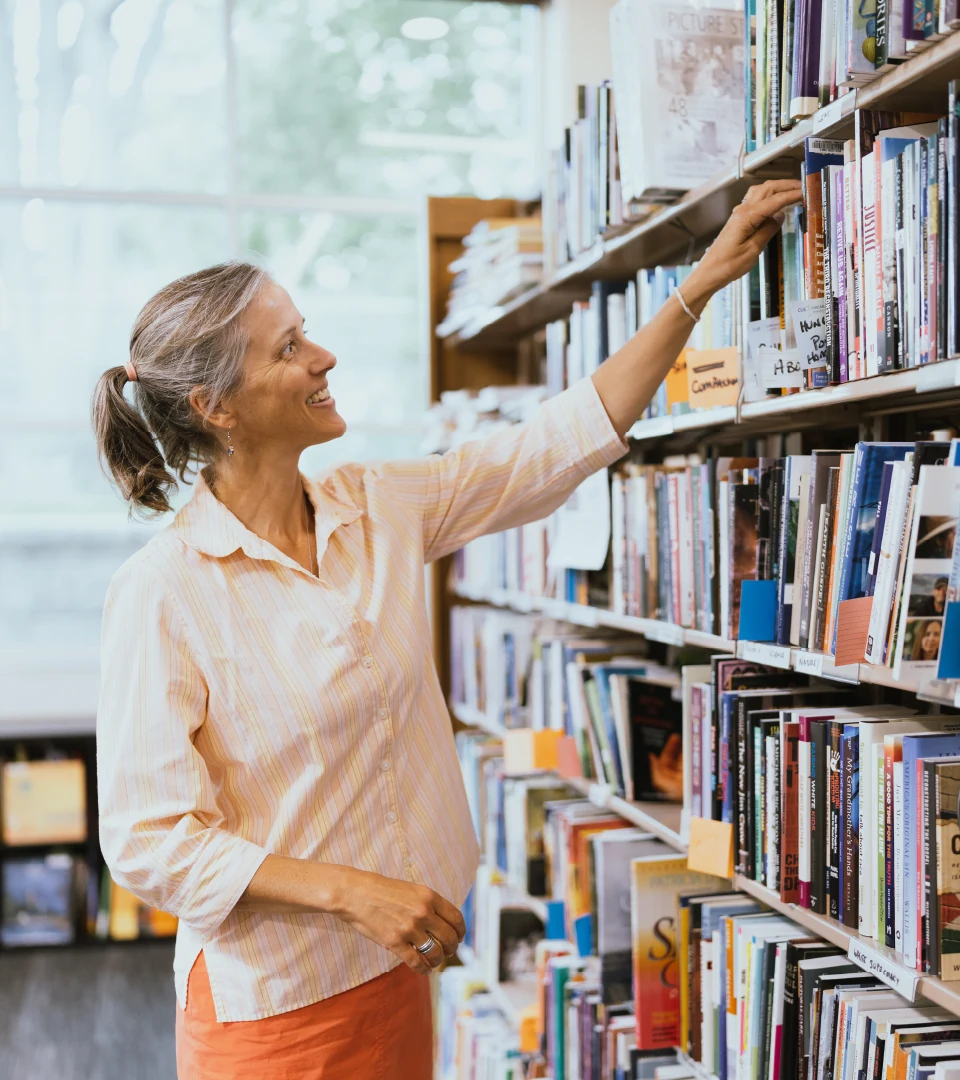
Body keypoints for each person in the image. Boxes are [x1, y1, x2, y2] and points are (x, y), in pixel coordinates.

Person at [92, 179, 801, 1079]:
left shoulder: (376, 505)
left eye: (306, 329)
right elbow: (149, 841)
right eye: (291, 346)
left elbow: (553, 446)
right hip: (274, 1008)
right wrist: (354, 895)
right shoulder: (163, 591)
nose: (324, 355)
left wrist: (699, 287)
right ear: (215, 408)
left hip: (396, 966)